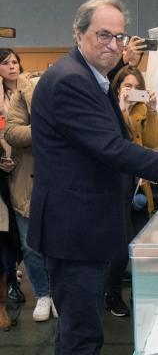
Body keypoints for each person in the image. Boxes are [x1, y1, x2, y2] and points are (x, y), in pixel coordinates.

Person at [29, 0, 158, 353]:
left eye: (119, 37)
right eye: (104, 35)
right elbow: (113, 149)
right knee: (81, 336)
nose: (113, 45)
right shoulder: (70, 80)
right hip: (72, 230)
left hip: (85, 226)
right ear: (79, 33)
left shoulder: (93, 78)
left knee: (81, 331)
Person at [103, 65, 158, 317]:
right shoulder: (108, 108)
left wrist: (152, 111)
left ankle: (141, 296)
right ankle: (112, 294)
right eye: (128, 86)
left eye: (138, 87)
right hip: (115, 188)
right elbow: (113, 140)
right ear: (117, 87)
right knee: (117, 251)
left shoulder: (142, 108)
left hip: (139, 186)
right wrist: (121, 107)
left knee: (142, 247)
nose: (133, 91)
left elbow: (153, 141)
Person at [5, 65, 56, 323]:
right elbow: (12, 132)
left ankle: (59, 292)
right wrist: (47, 132)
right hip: (26, 181)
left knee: (59, 241)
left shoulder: (65, 92)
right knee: (30, 244)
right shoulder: (20, 96)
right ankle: (43, 294)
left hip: (60, 183)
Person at [0, 48, 25, 310]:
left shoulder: (28, 90)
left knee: (20, 227)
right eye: (5, 63)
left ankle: (14, 269)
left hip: (25, 165)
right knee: (7, 228)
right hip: (3, 166)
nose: (12, 67)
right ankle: (10, 276)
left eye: (15, 62)